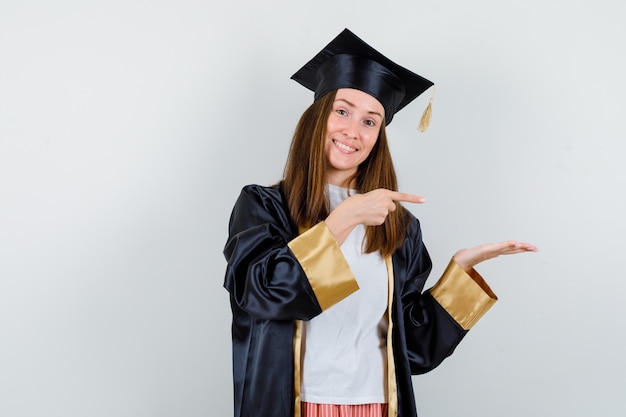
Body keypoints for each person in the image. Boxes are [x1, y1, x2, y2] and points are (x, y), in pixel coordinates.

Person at [223, 28, 537, 417]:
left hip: (377, 405)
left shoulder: (397, 225)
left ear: (379, 136)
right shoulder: (263, 207)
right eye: (342, 111)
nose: (353, 131)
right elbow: (263, 296)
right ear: (317, 116)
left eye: (371, 121)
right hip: (290, 405)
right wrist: (343, 220)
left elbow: (413, 351)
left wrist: (460, 274)